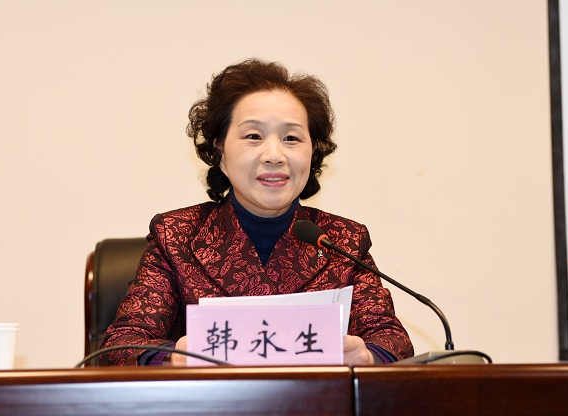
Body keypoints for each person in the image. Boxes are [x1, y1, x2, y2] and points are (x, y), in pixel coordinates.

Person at [99, 58, 414, 366]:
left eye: (291, 138)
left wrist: (366, 356)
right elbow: (120, 346)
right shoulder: (176, 235)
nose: (274, 155)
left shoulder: (343, 241)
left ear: (312, 152)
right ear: (220, 151)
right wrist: (174, 356)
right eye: (253, 136)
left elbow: (394, 341)